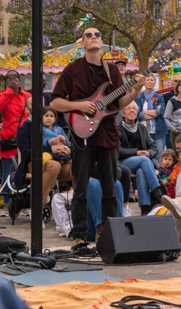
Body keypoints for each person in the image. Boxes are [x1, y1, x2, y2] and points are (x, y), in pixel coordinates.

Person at [50, 26, 145, 251]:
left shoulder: (112, 71)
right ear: (82, 42)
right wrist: (78, 105)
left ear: (102, 43)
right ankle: (79, 236)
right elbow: (54, 102)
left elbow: (118, 104)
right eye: (89, 35)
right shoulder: (72, 69)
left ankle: (109, 234)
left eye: (97, 35)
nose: (94, 37)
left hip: (108, 135)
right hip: (82, 136)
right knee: (80, 188)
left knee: (110, 189)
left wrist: (136, 91)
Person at [14, 96, 73, 206]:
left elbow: (65, 142)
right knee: (54, 166)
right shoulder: (24, 129)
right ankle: (38, 207)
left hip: (60, 160)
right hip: (34, 163)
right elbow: (26, 153)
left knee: (79, 169)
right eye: (33, 103)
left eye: (39, 103)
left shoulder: (53, 126)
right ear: (27, 109)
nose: (38, 105)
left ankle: (79, 208)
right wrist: (50, 149)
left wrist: (66, 149)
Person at [118, 101, 162, 215]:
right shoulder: (118, 129)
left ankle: (145, 207)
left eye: (134, 108)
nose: (132, 110)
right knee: (144, 160)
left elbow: (154, 147)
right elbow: (118, 150)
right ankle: (158, 192)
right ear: (122, 114)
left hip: (142, 162)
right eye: (128, 108)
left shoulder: (142, 128)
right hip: (123, 162)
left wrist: (148, 153)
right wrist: (136, 153)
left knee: (141, 171)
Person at [0, 70, 30, 197]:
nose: (12, 80)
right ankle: (6, 201)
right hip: (8, 139)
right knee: (6, 172)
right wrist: (9, 91)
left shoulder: (27, 96)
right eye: (8, 79)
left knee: (24, 170)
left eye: (15, 78)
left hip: (24, 138)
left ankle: (22, 199)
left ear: (19, 81)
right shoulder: (3, 94)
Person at [136, 74, 168, 157]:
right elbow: (138, 115)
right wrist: (154, 113)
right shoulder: (139, 98)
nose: (149, 81)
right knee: (145, 156)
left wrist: (145, 112)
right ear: (144, 83)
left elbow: (160, 112)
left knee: (159, 157)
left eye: (151, 80)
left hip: (158, 132)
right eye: (147, 80)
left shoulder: (159, 97)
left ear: (154, 83)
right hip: (144, 132)